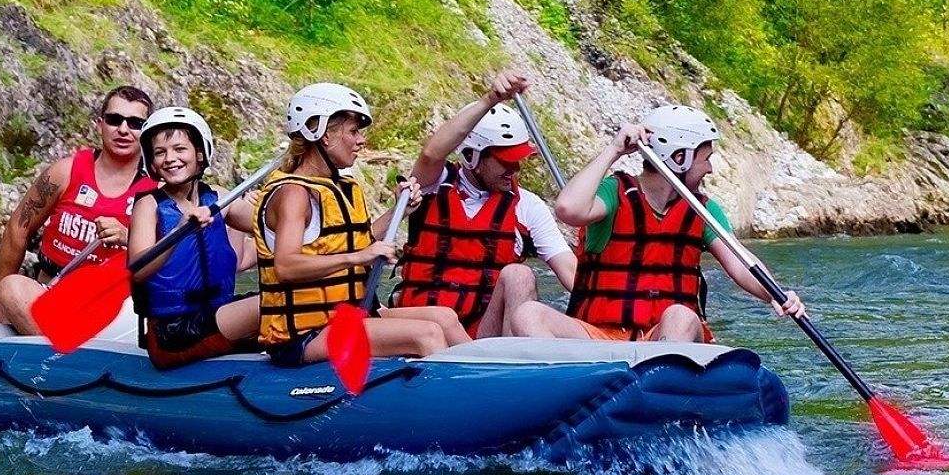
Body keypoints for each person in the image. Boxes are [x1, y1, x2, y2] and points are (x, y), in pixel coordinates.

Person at [507, 105, 803, 343]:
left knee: (681, 316)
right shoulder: (614, 192)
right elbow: (568, 208)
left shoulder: (703, 210)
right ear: (679, 157)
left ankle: (660, 387)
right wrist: (614, 150)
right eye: (706, 158)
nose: (710, 168)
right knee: (528, 315)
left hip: (663, 338)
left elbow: (741, 263)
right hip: (600, 337)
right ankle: (567, 389)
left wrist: (776, 293)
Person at [253, 83, 468, 366]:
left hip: (343, 315)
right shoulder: (293, 193)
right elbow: (286, 266)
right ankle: (451, 405)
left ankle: (494, 381)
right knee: (425, 334)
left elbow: (358, 240)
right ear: (324, 133)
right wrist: (358, 257)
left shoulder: (340, 187)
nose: (361, 141)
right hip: (304, 334)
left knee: (444, 317)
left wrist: (399, 211)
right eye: (353, 131)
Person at [390, 73, 579, 338]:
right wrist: (490, 99)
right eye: (506, 160)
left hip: (482, 337)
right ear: (471, 156)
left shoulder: (527, 205)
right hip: (425, 328)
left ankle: (511, 365)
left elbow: (571, 271)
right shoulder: (430, 186)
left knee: (520, 275)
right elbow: (431, 153)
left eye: (517, 160)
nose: (514, 169)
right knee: (441, 322)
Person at [0, 85, 156, 335]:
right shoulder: (64, 172)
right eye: (114, 120)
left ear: (146, 132)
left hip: (116, 307)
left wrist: (128, 238)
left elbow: (172, 256)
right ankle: (58, 353)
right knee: (10, 288)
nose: (123, 129)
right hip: (51, 293)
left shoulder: (157, 188)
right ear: (100, 125)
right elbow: (18, 227)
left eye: (135, 123)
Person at [127, 107, 260, 370]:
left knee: (293, 297)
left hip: (216, 314)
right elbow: (138, 270)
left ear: (200, 153)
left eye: (180, 149)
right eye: (160, 152)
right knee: (276, 304)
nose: (170, 158)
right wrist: (179, 230)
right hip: (172, 331)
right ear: (151, 162)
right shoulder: (148, 206)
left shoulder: (221, 198)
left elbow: (271, 224)